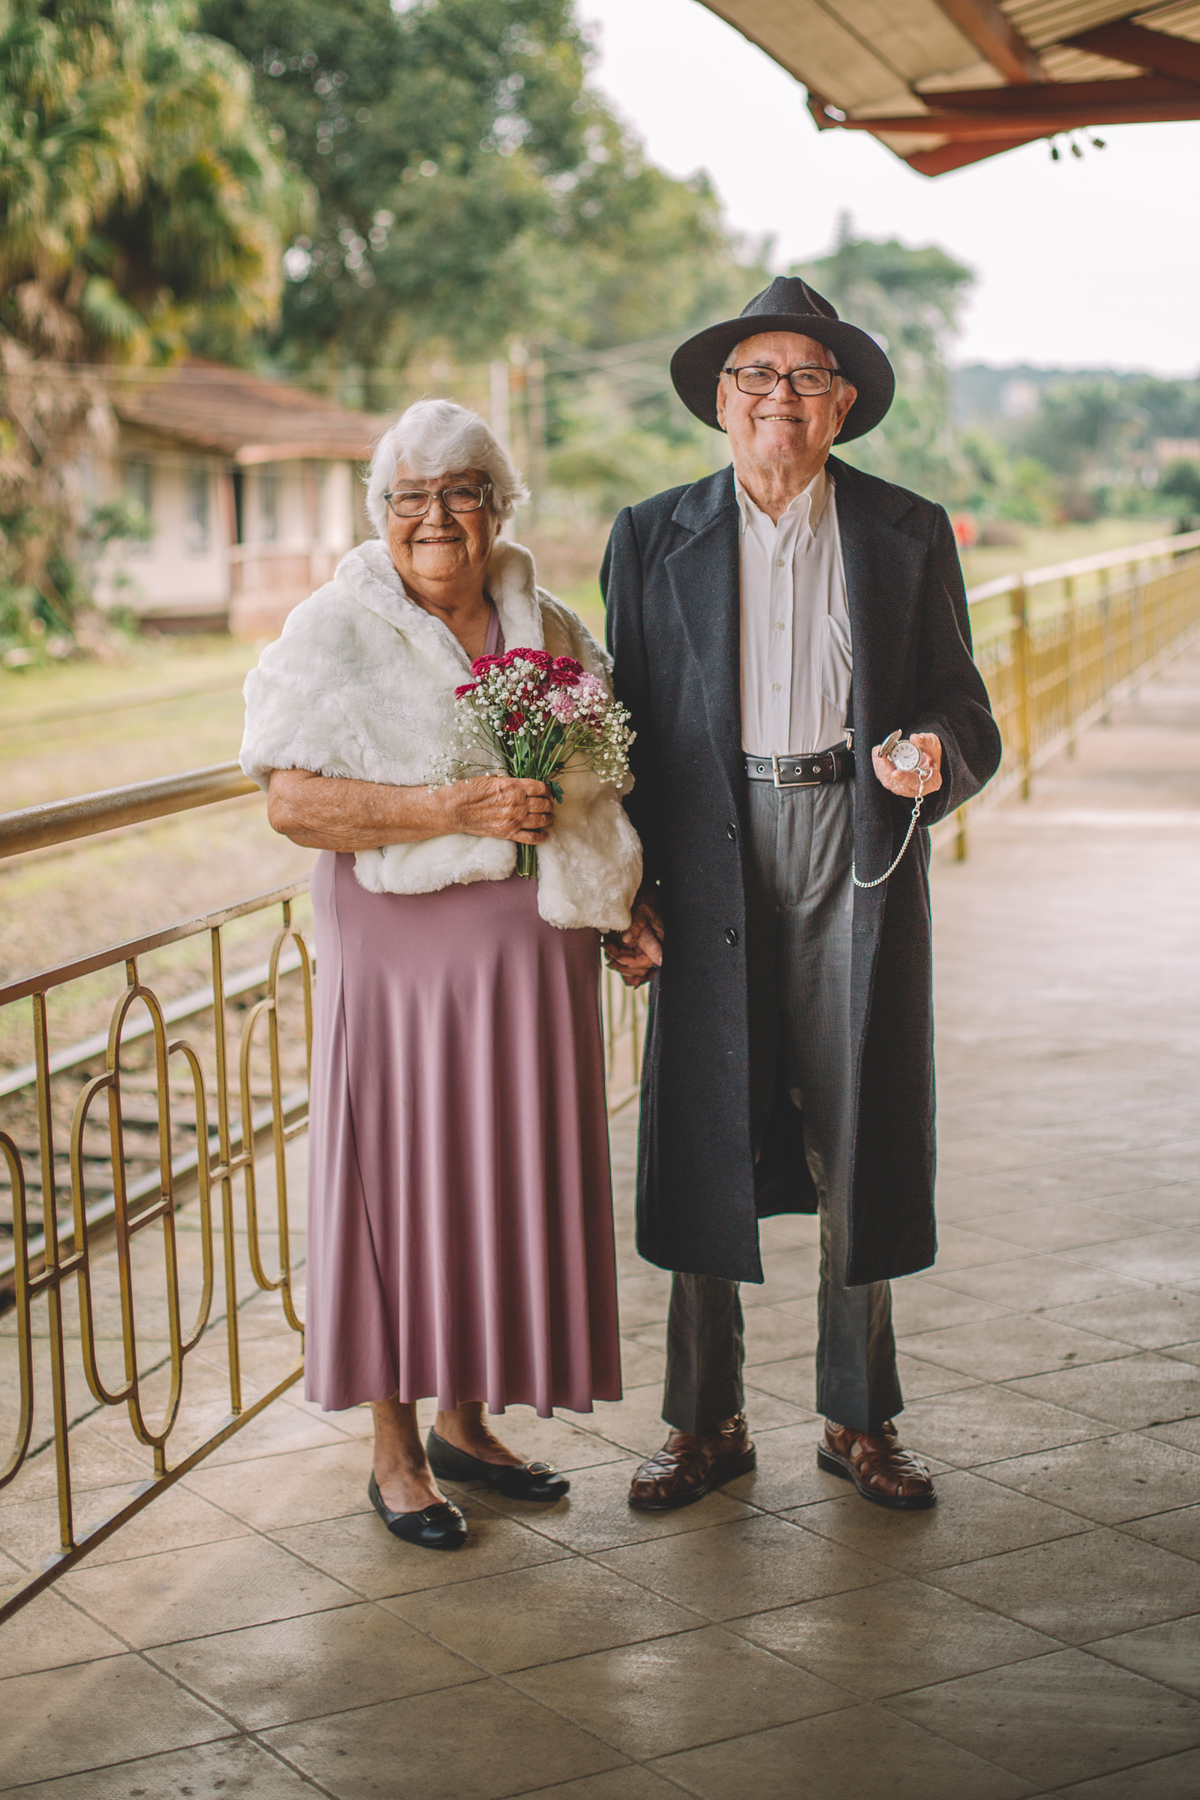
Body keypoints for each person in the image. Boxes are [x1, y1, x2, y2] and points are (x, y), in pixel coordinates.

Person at [601, 278, 1002, 1513]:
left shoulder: (904, 530)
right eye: (758, 378)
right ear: (720, 402)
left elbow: (961, 702)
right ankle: (703, 1421)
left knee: (859, 1122)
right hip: (707, 850)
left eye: (808, 380)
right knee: (703, 1118)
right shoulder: (651, 534)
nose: (781, 398)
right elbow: (618, 737)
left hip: (855, 840)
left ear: (843, 407)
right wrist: (619, 892)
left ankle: (858, 1418)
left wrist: (931, 754)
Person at [240, 399, 641, 1550]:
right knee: (400, 1185)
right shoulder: (332, 628)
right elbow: (291, 801)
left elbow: (598, 786)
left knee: (495, 1180)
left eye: (461, 491)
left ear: (497, 506)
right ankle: (396, 1450)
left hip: (532, 956)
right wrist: (448, 808)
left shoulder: (548, 621)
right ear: (381, 514)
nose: (436, 517)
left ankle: (468, 1423)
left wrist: (622, 903)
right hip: (400, 957)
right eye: (410, 497)